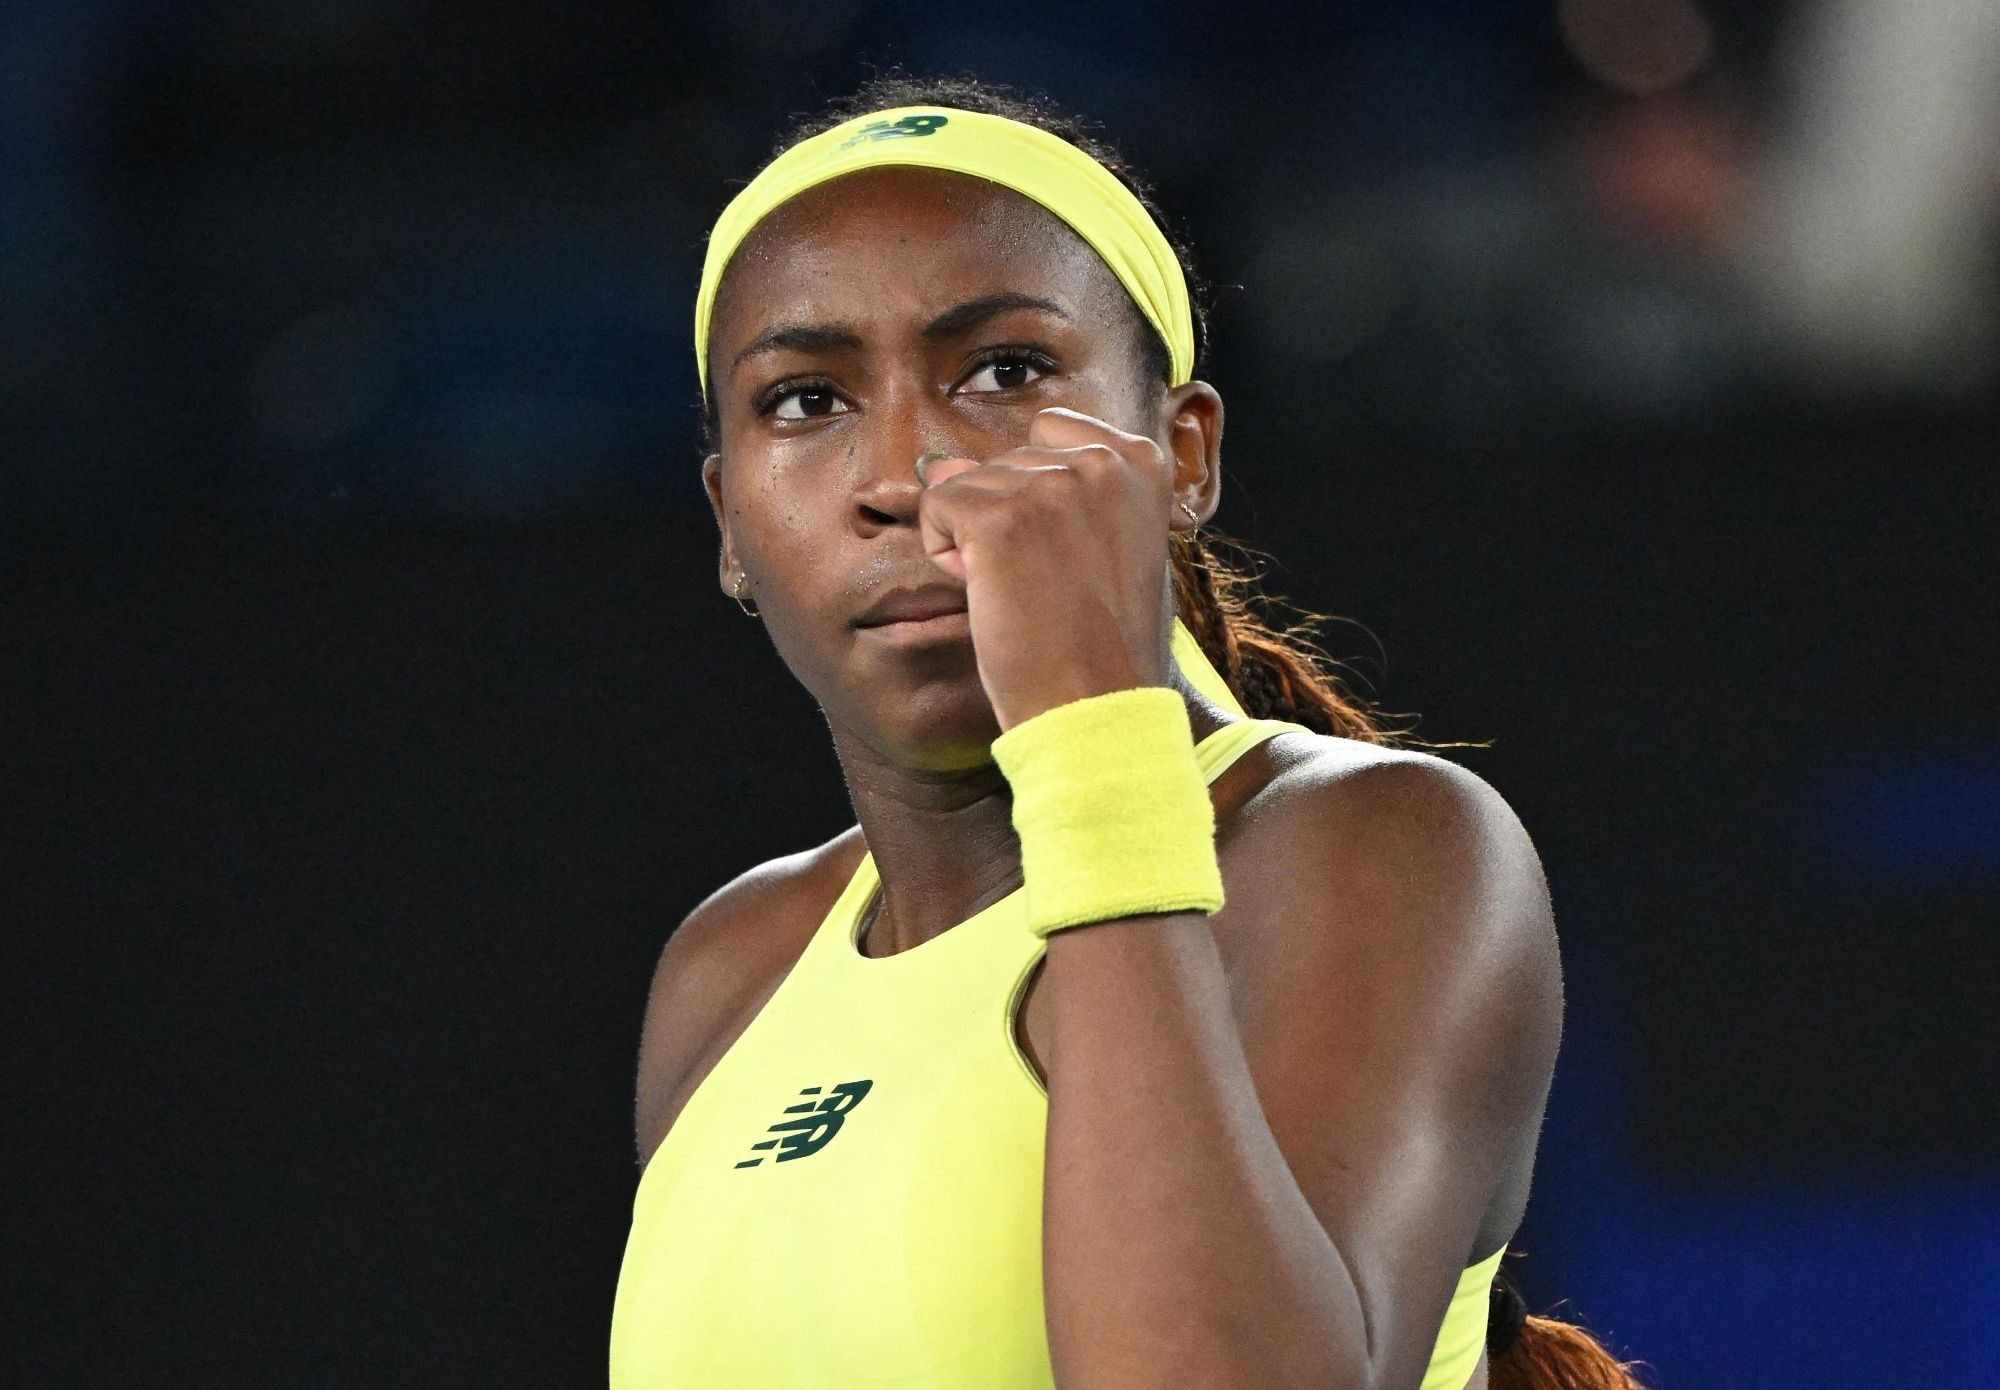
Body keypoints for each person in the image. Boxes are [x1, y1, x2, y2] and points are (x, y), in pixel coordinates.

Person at [610, 76, 1648, 1390]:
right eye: (807, 400)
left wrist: (1094, 732)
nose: (903, 475)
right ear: (728, 525)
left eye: (1005, 371)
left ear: (1183, 454)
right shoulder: (731, 967)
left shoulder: (1384, 846)